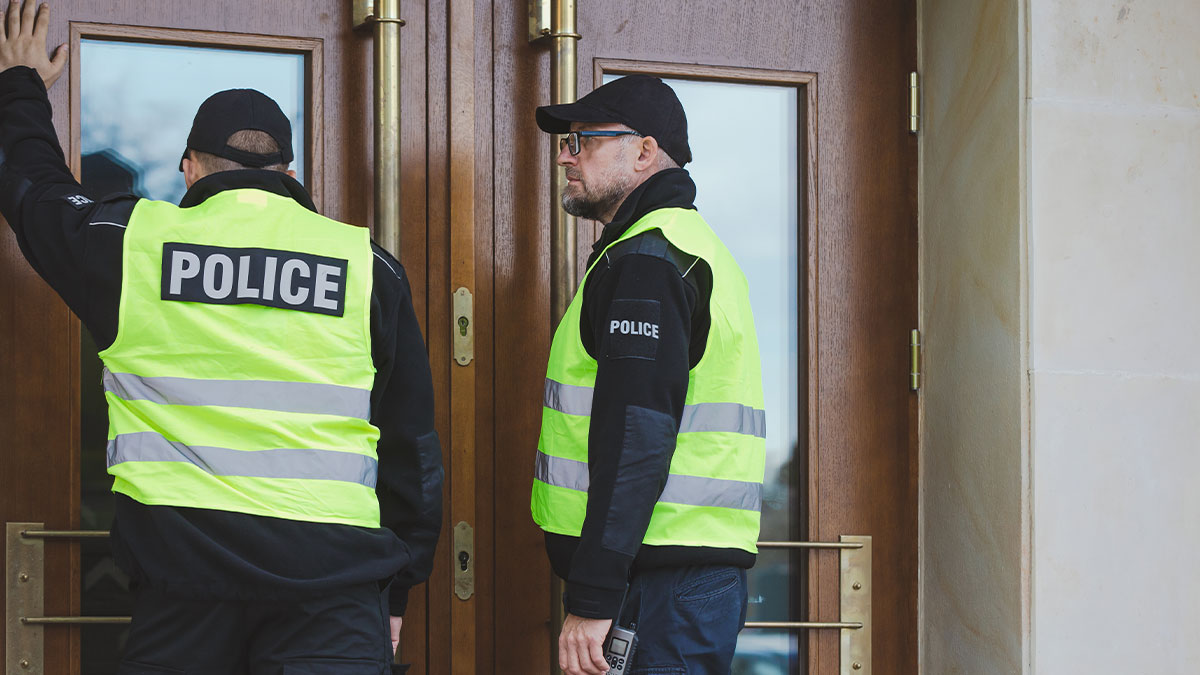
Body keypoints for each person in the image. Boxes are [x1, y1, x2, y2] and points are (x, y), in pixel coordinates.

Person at [0, 2, 442, 672]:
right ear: (290, 176)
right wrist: (399, 591)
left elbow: (33, 191)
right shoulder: (368, 266)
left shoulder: (133, 244)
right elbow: (413, 448)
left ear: (189, 170)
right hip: (333, 597)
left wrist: (20, 87)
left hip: (183, 596)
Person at [531, 74, 766, 675]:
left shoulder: (649, 259)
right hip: (672, 580)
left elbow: (636, 435)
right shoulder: (674, 246)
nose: (565, 152)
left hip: (658, 586)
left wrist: (594, 595)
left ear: (643, 151)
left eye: (583, 139)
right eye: (565, 140)